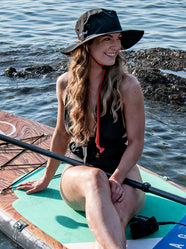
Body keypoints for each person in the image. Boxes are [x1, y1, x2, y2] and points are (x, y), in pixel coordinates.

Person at [17, 8, 145, 249]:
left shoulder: (128, 85)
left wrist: (117, 178)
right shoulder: (65, 83)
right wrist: (46, 179)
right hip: (79, 175)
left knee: (115, 219)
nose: (116, 45)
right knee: (95, 177)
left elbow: (137, 142)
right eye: (107, 38)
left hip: (124, 173)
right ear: (85, 45)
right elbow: (61, 134)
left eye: (118, 38)